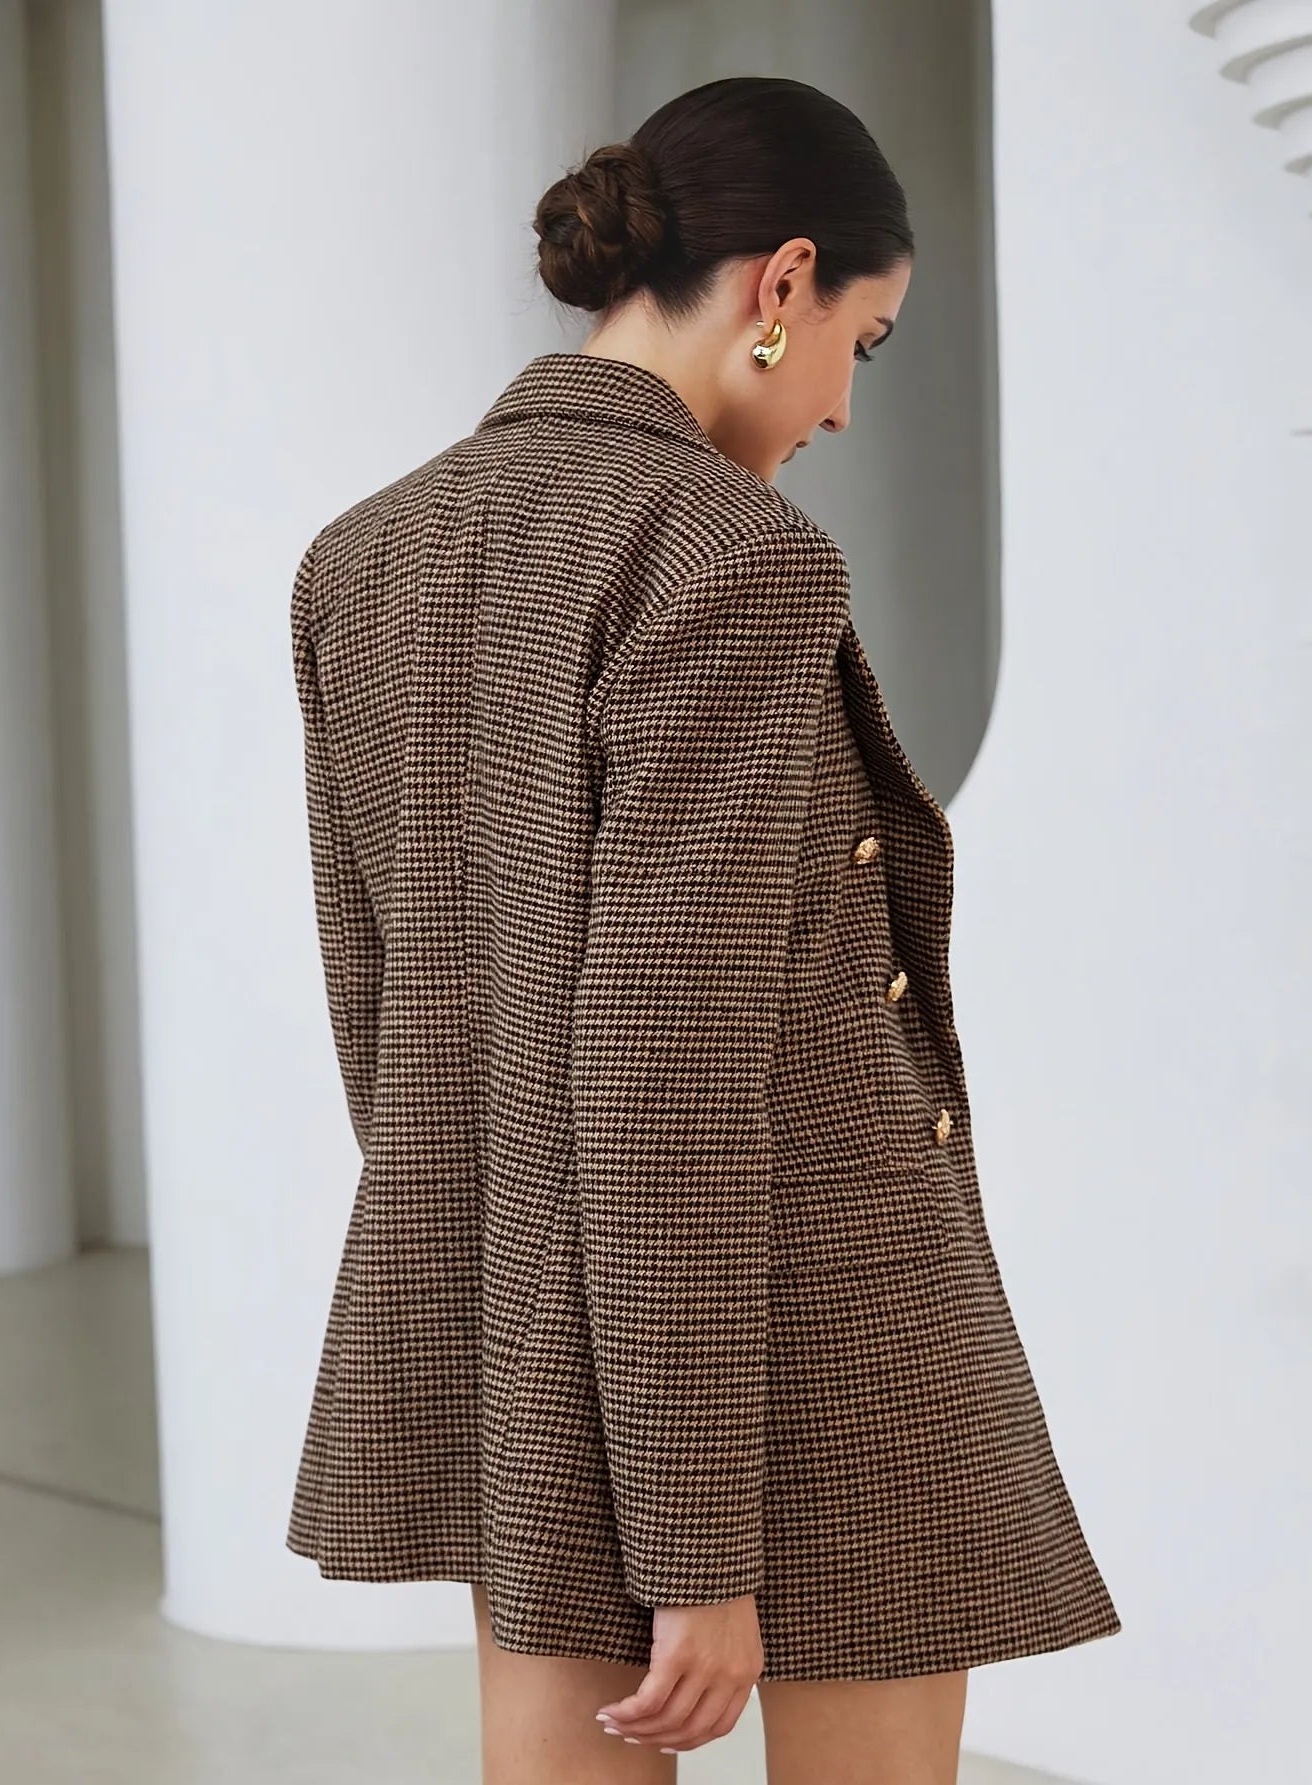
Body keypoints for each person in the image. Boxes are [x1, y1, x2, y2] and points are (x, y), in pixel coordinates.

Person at [285, 74, 1121, 1783]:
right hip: (805, 1318)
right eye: (863, 347)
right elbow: (668, 1065)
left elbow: (383, 1017)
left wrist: (554, 1366)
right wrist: (695, 1542)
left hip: (534, 1313)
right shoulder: (728, 558)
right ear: (784, 283)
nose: (837, 409)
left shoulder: (361, 558)